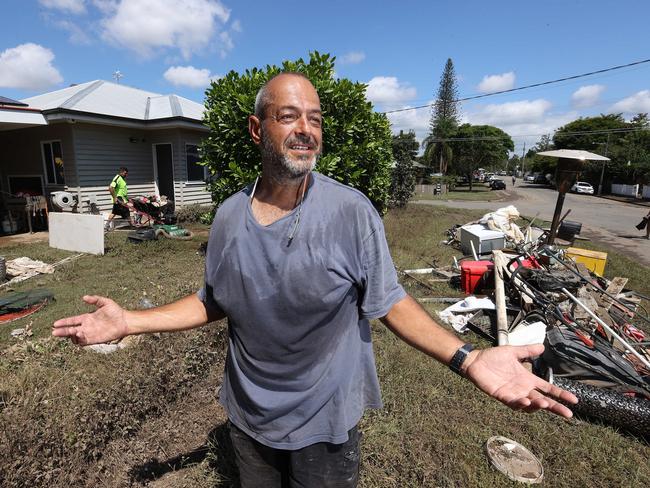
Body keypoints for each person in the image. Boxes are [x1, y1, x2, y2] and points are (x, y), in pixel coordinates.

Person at [53, 73, 577, 487]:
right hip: (247, 416)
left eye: (315, 119)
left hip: (324, 421)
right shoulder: (229, 218)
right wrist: (131, 321)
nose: (306, 129)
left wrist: (468, 357)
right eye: (288, 116)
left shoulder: (351, 212)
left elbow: (388, 300)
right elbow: (216, 299)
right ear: (259, 131)